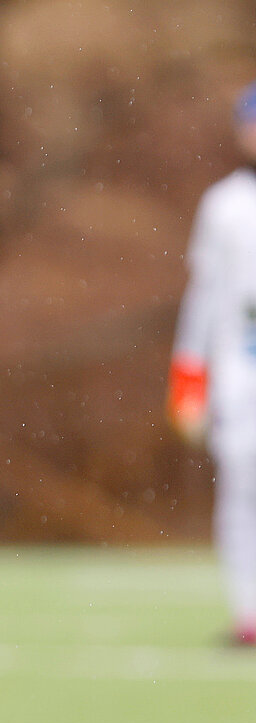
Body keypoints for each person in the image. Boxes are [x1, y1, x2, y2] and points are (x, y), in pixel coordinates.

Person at [169, 82, 256, 648]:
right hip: (241, 377)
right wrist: (188, 379)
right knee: (242, 494)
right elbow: (203, 300)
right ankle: (250, 614)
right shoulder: (224, 204)